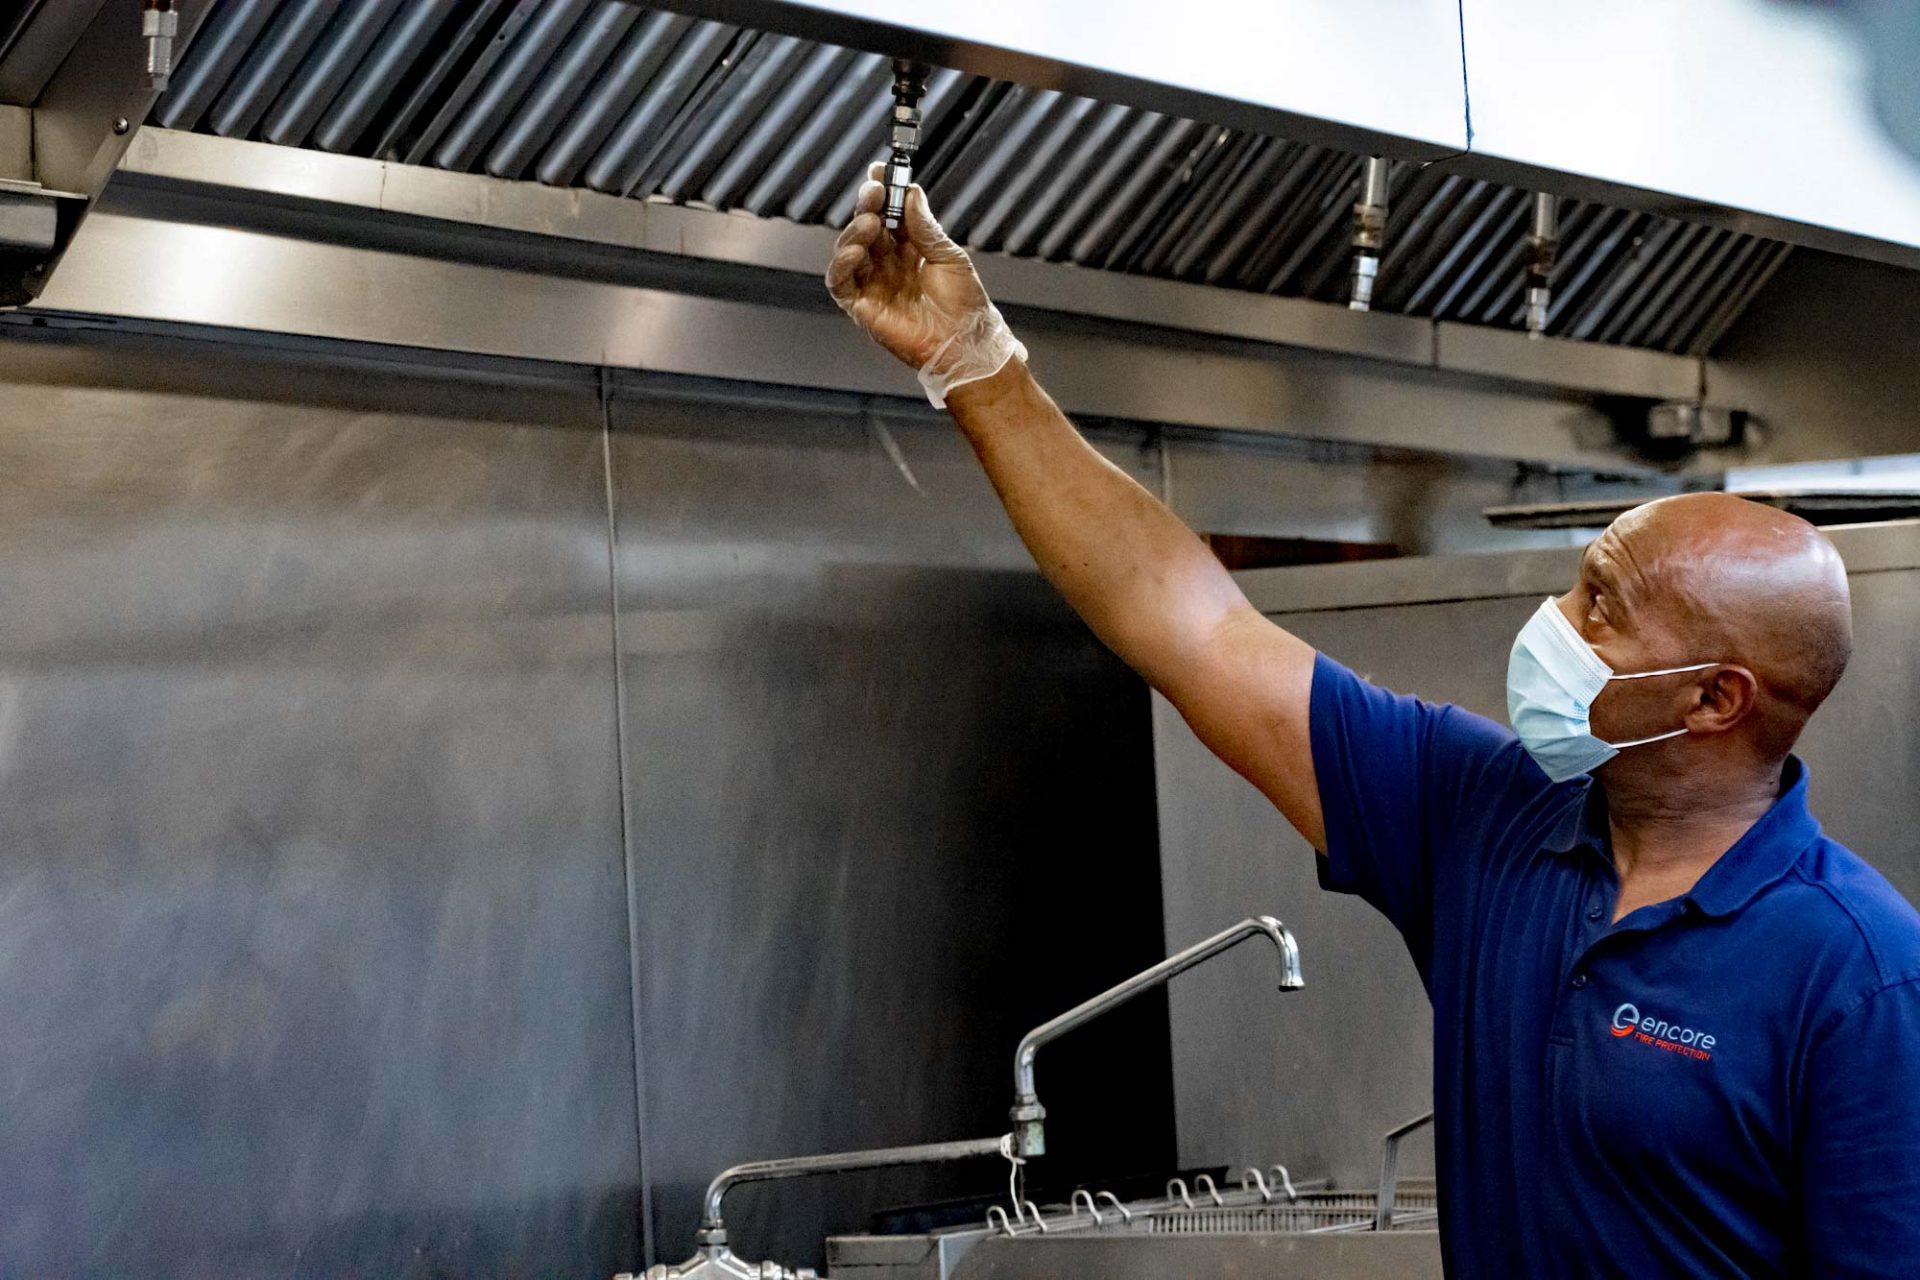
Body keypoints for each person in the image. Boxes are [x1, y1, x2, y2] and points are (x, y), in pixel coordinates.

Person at [825, 170, 1920, 1278]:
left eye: (1602, 603)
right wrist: (977, 365)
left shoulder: (1861, 975)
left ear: (1713, 698)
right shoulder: (1484, 817)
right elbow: (1192, 625)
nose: (1553, 621)